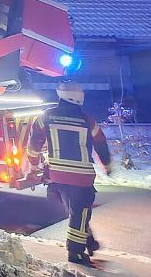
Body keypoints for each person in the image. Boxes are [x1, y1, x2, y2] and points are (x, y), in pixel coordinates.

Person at [28, 82, 112, 267]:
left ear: (61, 96)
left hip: (57, 176)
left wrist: (33, 166)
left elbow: (34, 145)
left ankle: (88, 241)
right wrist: (106, 164)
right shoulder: (88, 121)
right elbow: (101, 143)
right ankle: (75, 253)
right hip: (81, 177)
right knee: (80, 213)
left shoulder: (45, 118)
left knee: (75, 213)